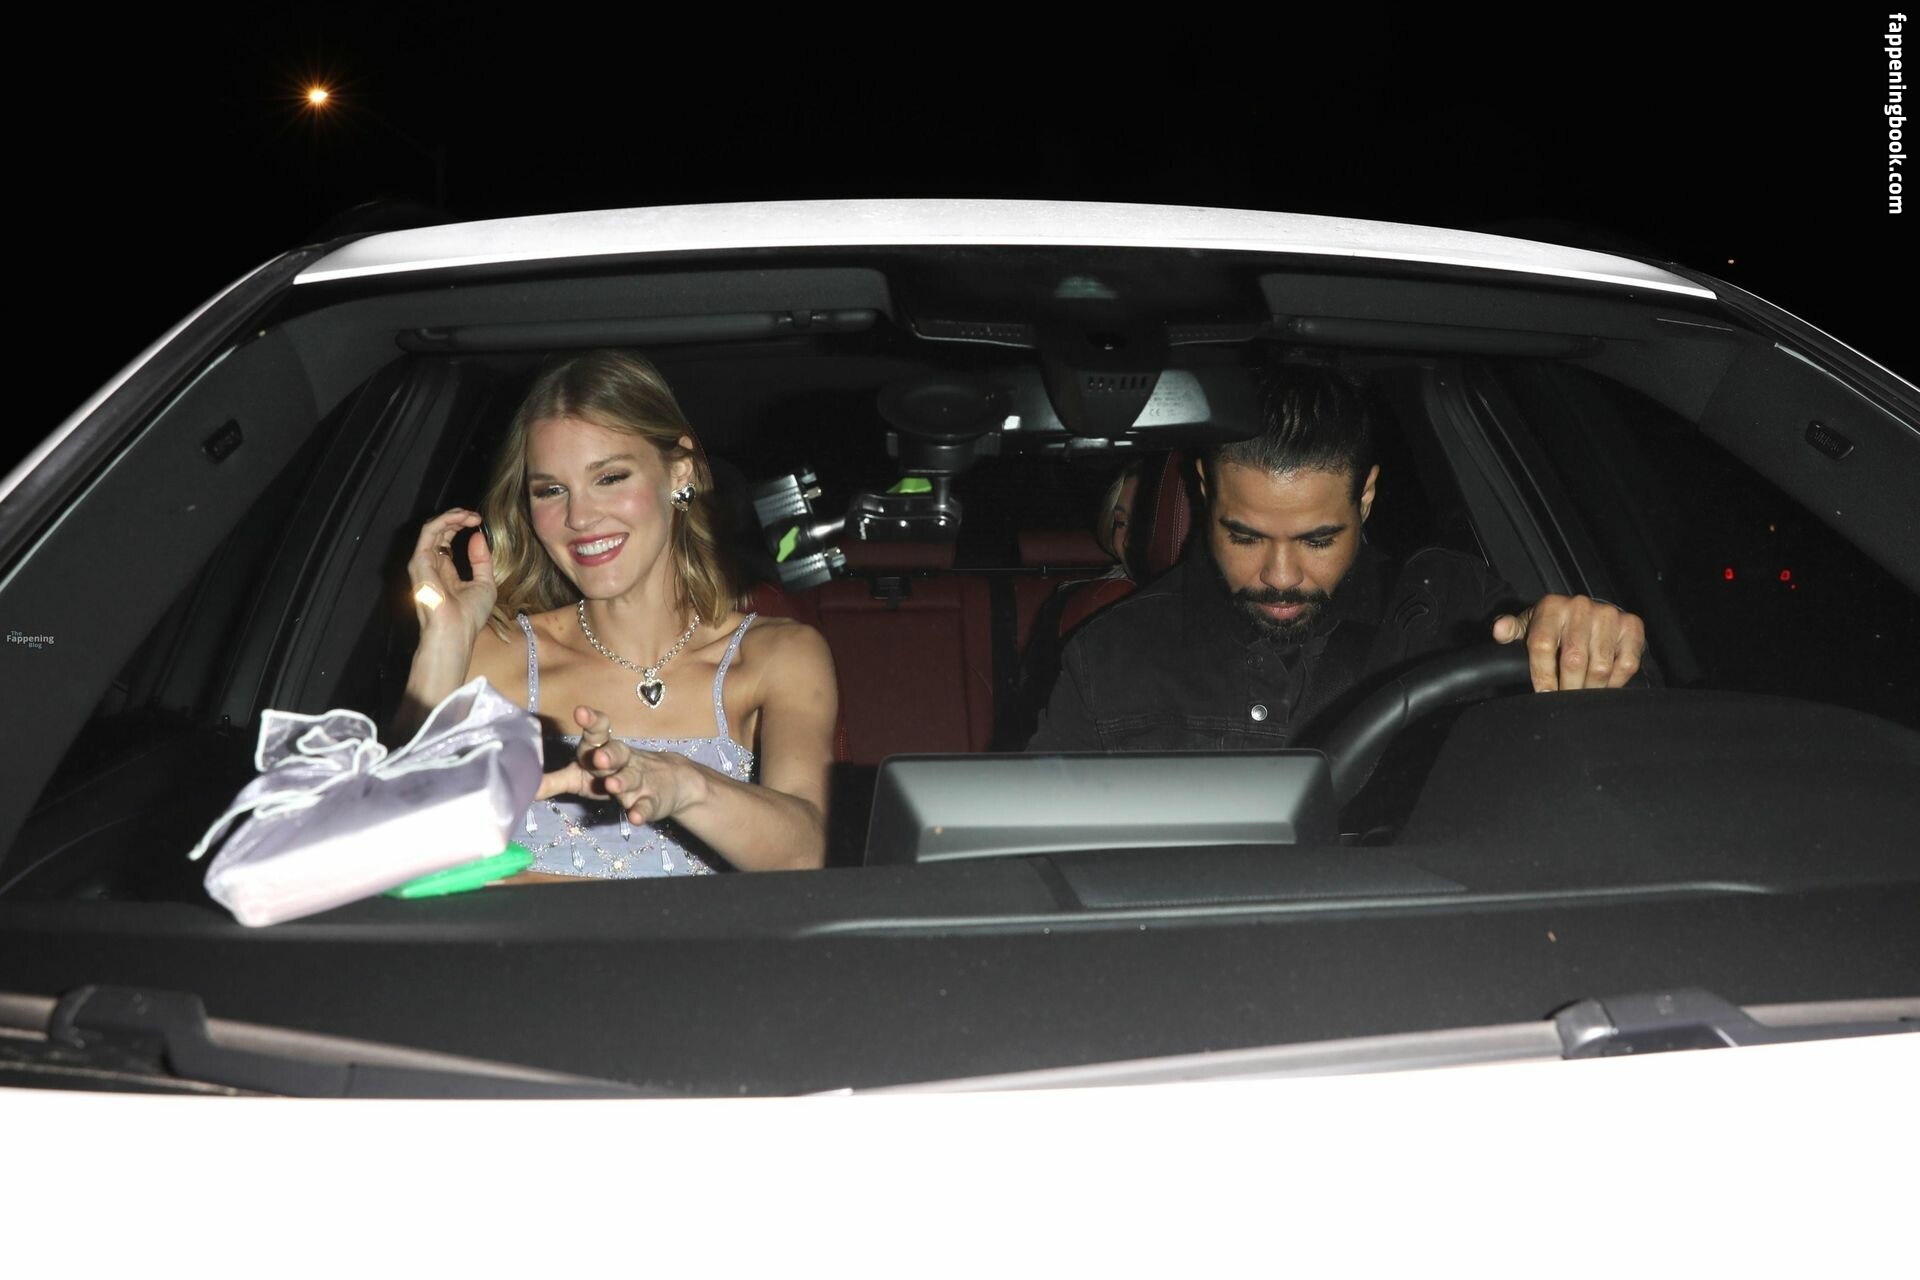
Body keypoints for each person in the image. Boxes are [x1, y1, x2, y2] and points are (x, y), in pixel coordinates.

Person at [1027, 362, 1647, 753]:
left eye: (1317, 540)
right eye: (1245, 537)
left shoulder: (1452, 609)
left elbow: (1615, 756)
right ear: (1206, 492)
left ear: (1366, 498)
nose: (1280, 576)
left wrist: (1584, 647)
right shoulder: (1109, 657)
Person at [397, 350, 837, 877]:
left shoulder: (773, 656)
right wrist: (444, 644)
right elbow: (385, 847)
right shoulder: (495, 656)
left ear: (679, 472)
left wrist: (683, 784)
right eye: (551, 490)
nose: (579, 517)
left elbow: (802, 854)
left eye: (609, 478)